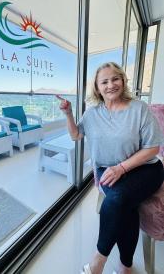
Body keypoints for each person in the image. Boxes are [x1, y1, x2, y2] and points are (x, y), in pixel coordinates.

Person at [57, 62, 164, 274]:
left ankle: (98, 261)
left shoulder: (139, 109)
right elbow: (75, 135)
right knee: (126, 207)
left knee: (116, 200)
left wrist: (121, 168)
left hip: (145, 169)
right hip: (108, 170)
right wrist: (68, 113)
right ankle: (127, 266)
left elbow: (152, 149)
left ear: (123, 81)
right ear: (97, 88)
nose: (110, 85)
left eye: (115, 79)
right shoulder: (92, 114)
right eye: (104, 81)